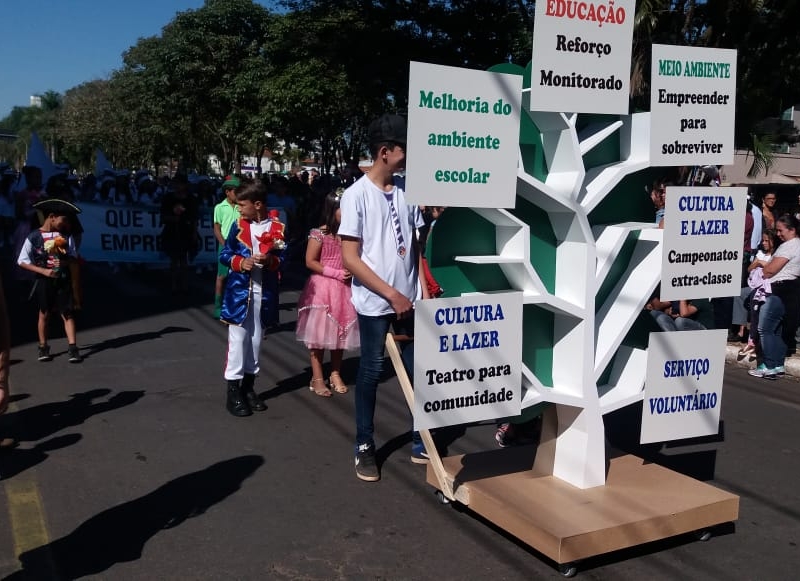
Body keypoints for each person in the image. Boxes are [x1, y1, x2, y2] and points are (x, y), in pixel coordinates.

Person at [340, 113, 430, 482]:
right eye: (403, 148)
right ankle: (364, 445)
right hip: (377, 303)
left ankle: (421, 437)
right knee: (372, 371)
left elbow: (416, 244)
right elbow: (350, 257)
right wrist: (391, 294)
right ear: (384, 152)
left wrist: (420, 290)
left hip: (411, 301)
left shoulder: (410, 188)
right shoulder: (356, 195)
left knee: (417, 370)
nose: (408, 154)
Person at [219, 180, 285, 417]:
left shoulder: (277, 228)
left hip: (263, 294)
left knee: (256, 341)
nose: (239, 209)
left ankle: (249, 387)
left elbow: (283, 259)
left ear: (257, 205)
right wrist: (240, 262)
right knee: (238, 342)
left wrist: (270, 262)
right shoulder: (238, 227)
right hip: (239, 294)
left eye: (242, 205)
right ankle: (233, 391)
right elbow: (226, 254)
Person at [296, 188, 359, 397]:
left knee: (340, 334)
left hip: (344, 289)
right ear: (332, 209)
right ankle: (317, 377)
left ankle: (335, 373)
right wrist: (336, 272)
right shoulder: (319, 233)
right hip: (323, 287)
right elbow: (310, 261)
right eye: (343, 208)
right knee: (318, 336)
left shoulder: (350, 234)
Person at [16, 199, 83, 363]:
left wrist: (65, 262)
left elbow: (74, 258)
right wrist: (43, 271)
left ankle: (73, 347)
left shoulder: (65, 236)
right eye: (63, 219)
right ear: (52, 217)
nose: (65, 223)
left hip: (62, 279)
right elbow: (22, 261)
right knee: (44, 313)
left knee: (67, 312)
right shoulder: (34, 236)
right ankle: (43, 346)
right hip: (44, 281)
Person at [749, 214, 800, 379]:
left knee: (765, 328)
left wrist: (764, 268)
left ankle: (770, 365)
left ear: (792, 230)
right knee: (777, 330)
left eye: (780, 230)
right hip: (791, 289)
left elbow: (770, 270)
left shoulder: (789, 246)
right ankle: (777, 365)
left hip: (780, 290)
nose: (778, 234)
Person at [736, 229, 778, 361]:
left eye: (767, 240)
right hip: (756, 287)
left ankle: (759, 343)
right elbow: (750, 268)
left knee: (762, 317)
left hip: (768, 290)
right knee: (754, 316)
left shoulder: (777, 256)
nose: (764, 243)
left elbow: (770, 268)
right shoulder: (760, 254)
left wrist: (760, 264)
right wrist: (757, 263)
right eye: (763, 240)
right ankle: (751, 341)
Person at [160, 174, 199, 294]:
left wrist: (194, 232)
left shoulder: (191, 199)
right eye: (176, 184)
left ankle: (184, 283)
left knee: (184, 259)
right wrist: (172, 218)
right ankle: (173, 283)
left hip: (185, 231)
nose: (178, 186)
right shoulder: (168, 198)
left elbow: (194, 217)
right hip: (171, 231)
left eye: (180, 184)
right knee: (174, 259)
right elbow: (163, 215)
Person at [212, 175, 241, 319]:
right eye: (235, 191)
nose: (238, 194)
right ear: (227, 192)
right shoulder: (219, 207)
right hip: (224, 245)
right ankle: (218, 305)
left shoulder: (241, 207)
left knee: (236, 276)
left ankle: (233, 304)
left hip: (239, 245)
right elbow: (216, 228)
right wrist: (223, 243)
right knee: (222, 276)